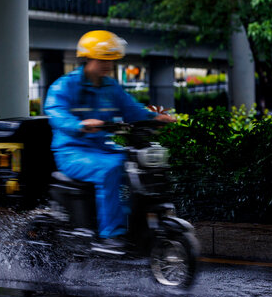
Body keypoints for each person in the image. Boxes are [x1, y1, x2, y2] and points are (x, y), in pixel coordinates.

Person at [44, 30, 174, 251]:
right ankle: (110, 235)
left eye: (111, 60)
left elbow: (132, 109)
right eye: (103, 59)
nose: (108, 65)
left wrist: (155, 118)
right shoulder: (64, 86)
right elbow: (56, 113)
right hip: (71, 152)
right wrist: (80, 125)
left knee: (140, 163)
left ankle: (136, 225)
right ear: (88, 58)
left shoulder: (110, 87)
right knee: (111, 168)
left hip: (102, 148)